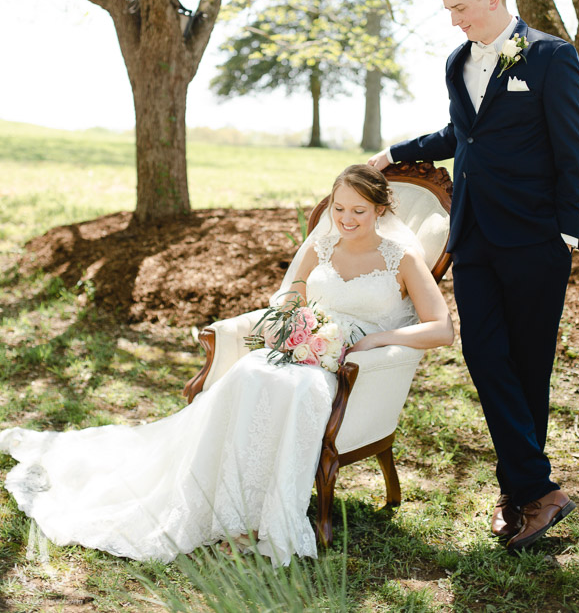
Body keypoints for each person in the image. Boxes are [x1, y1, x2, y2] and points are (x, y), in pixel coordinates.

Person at [0, 165, 453, 566]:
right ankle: (229, 513)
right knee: (251, 373)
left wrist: (376, 339)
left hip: (349, 365)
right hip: (301, 348)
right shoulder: (322, 247)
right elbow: (286, 299)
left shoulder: (402, 258)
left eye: (359, 210)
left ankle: (267, 522)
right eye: (339, 209)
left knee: (301, 392)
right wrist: (293, 323)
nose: (346, 220)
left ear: (379, 209)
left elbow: (440, 329)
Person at [369, 0, 579, 551]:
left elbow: (574, 148)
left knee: (528, 370)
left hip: (536, 241)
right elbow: (460, 135)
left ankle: (520, 493)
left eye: (460, 8)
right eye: (449, 11)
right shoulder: (457, 63)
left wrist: (567, 233)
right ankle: (538, 490)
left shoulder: (549, 57)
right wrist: (394, 153)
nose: (454, 22)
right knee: (486, 356)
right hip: (473, 239)